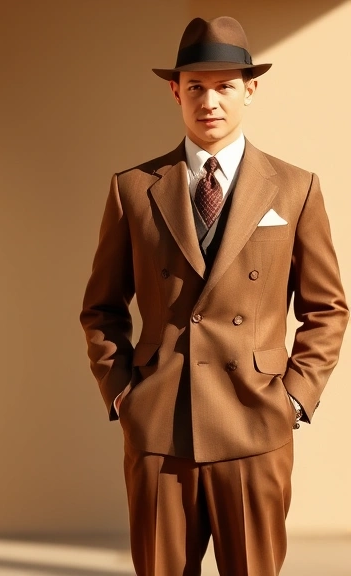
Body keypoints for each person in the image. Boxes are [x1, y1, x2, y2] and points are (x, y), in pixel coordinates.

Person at [79, 16, 347, 575]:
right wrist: (124, 392)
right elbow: (101, 308)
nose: (210, 101)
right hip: (159, 428)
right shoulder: (133, 188)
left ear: (250, 89)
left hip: (256, 424)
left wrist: (294, 397)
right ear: (175, 91)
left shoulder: (296, 188)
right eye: (196, 87)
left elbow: (327, 309)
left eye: (225, 86)